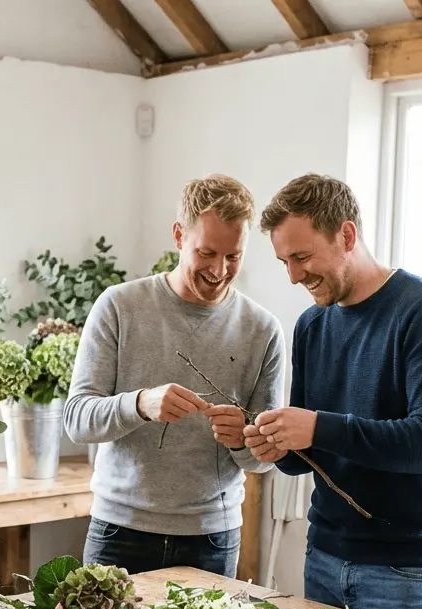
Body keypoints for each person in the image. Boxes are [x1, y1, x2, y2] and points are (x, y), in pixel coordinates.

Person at [245, 174, 422, 609]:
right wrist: (277, 445)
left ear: (346, 236)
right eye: (285, 262)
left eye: (302, 257)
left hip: (407, 571)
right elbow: (310, 454)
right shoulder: (311, 326)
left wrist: (316, 427)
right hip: (323, 557)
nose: (294, 276)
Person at [64, 174, 285, 578]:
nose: (219, 270)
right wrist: (140, 404)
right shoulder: (118, 307)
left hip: (213, 538)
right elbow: (77, 419)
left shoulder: (263, 330)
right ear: (179, 235)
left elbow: (264, 459)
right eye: (207, 252)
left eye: (233, 256)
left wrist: (243, 439)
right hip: (119, 530)